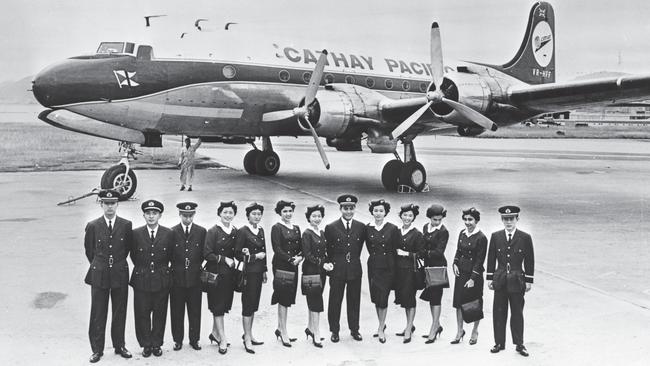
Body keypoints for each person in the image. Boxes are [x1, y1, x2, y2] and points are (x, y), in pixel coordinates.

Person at [84, 189, 133, 363]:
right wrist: (101, 264)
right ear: (101, 204)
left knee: (119, 311)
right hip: (100, 273)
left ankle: (119, 345)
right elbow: (90, 251)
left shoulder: (126, 225)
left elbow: (127, 248)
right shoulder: (93, 226)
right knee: (98, 311)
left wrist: (116, 262)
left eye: (113, 203)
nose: (110, 207)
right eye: (106, 203)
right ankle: (97, 349)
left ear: (117, 204)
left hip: (119, 272)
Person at [487, 206, 535, 357]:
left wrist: (528, 280)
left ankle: (519, 344)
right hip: (500, 280)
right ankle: (499, 342)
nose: (508, 222)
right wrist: (489, 278)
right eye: (505, 219)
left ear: (517, 219)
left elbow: (529, 260)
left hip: (517, 281)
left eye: (511, 219)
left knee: (517, 313)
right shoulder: (496, 237)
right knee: (499, 312)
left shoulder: (525, 237)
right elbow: (491, 258)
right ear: (502, 220)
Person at [130, 199, 174, 357]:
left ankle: (156, 344)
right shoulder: (135, 233)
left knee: (160, 313)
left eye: (154, 213)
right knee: (142, 313)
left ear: (160, 215)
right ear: (143, 215)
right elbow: (134, 256)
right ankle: (146, 344)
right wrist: (145, 269)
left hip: (162, 279)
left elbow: (170, 255)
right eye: (148, 213)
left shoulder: (168, 233)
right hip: (142, 278)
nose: (151, 216)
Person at [325, 194, 366, 343]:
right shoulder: (331, 227)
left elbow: (360, 246)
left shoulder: (361, 227)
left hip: (354, 269)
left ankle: (354, 329)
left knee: (354, 300)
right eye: (345, 208)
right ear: (340, 209)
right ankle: (334, 330)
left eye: (351, 208)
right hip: (337, 270)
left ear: (355, 209)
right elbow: (328, 249)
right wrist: (329, 266)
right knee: (335, 300)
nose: (348, 211)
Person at [170, 202, 206, 351]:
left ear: (194, 215)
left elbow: (204, 252)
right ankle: (178, 340)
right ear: (179, 215)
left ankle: (194, 339)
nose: (188, 219)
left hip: (195, 277)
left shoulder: (201, 231)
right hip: (177, 278)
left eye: (190, 215)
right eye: (185, 215)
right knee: (176, 311)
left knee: (195, 310)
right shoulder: (172, 231)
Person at [203, 201, 238, 355]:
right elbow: (207, 253)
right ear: (219, 214)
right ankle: (222, 338)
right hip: (216, 274)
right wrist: (224, 259)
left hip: (229, 275)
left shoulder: (235, 231)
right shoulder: (213, 231)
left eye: (231, 213)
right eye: (225, 212)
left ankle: (215, 333)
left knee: (223, 305)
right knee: (217, 305)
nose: (228, 215)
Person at [365, 199, 400, 344]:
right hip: (373, 265)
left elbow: (395, 248)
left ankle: (380, 327)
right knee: (376, 297)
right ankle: (381, 323)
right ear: (372, 212)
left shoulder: (392, 228)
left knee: (383, 297)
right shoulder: (368, 228)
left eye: (381, 211)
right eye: (376, 211)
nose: (378, 213)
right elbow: (368, 246)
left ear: (385, 212)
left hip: (387, 267)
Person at [451, 207, 487, 345]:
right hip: (461, 273)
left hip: (474, 275)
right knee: (459, 303)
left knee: (474, 303)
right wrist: (455, 263)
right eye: (465, 219)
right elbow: (458, 251)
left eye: (470, 219)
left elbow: (480, 260)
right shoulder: (462, 233)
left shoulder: (481, 237)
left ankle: (474, 331)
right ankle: (459, 331)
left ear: (476, 220)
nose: (467, 222)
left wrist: (473, 278)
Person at [235, 202, 268, 354]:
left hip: (258, 273)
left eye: (259, 214)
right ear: (248, 215)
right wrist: (254, 257)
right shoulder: (243, 231)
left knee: (254, 304)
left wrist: (265, 270)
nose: (256, 216)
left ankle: (249, 334)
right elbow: (237, 254)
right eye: (253, 214)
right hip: (248, 274)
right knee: (247, 305)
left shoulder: (260, 230)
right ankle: (246, 337)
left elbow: (265, 250)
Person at [270, 200, 303, 347]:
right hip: (282, 266)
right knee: (283, 297)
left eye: (290, 211)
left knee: (288, 297)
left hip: (294, 266)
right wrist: (291, 259)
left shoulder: (296, 228)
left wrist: (300, 257)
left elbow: (301, 247)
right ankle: (283, 331)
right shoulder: (276, 228)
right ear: (279, 213)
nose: (288, 214)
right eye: (285, 211)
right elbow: (277, 249)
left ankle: (280, 327)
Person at [301, 204, 332, 348]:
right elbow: (307, 255)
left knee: (314, 299)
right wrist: (322, 263)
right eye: (314, 216)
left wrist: (328, 263)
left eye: (319, 216)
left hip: (321, 272)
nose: (317, 218)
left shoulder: (322, 232)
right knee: (316, 301)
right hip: (311, 271)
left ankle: (310, 328)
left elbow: (325, 252)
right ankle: (317, 333)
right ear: (308, 218)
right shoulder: (307, 233)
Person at [419, 204, 449, 344]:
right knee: (431, 297)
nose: (437, 222)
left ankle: (434, 327)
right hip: (427, 266)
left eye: (439, 219)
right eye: (434, 219)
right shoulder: (426, 227)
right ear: (429, 217)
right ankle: (436, 325)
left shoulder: (443, 232)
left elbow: (439, 252)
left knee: (436, 298)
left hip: (437, 267)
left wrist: (424, 252)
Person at [394, 204, 424, 344]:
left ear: (414, 218)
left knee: (410, 299)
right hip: (398, 271)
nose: (407, 218)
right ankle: (409, 325)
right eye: (405, 215)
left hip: (410, 272)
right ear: (400, 216)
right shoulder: (396, 231)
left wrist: (407, 254)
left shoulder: (417, 234)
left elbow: (422, 254)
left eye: (410, 216)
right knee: (404, 300)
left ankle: (409, 327)